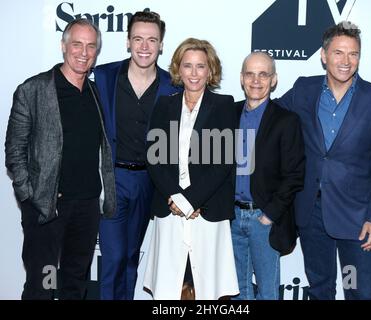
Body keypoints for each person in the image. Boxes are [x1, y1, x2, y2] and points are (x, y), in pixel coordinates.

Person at [277, 21, 371, 300]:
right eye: (338, 53)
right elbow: (272, 117)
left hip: (357, 220)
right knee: (320, 289)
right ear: (324, 55)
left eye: (353, 54)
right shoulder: (304, 90)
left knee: (358, 291)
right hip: (311, 213)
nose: (346, 61)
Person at [4, 18, 116, 300]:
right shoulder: (34, 89)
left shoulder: (95, 92)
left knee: (75, 284)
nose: (83, 52)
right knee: (42, 285)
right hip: (47, 208)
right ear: (63, 46)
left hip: (87, 207)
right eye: (77, 44)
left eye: (91, 46)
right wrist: (29, 195)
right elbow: (14, 148)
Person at [93, 9, 180, 300]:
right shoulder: (105, 76)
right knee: (113, 258)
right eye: (138, 39)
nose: (145, 46)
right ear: (128, 42)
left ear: (161, 45)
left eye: (152, 40)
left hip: (148, 181)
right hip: (112, 178)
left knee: (131, 256)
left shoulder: (172, 86)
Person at [143, 38, 239, 300]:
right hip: (169, 208)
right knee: (169, 287)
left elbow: (222, 162)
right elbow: (155, 158)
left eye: (200, 66)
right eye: (188, 66)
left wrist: (191, 201)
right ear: (178, 69)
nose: (194, 73)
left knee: (205, 288)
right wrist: (176, 198)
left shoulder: (223, 106)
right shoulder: (164, 105)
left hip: (206, 210)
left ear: (210, 71)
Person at [231, 52, 305, 300]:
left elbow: (295, 174)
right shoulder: (227, 115)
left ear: (274, 80)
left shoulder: (287, 121)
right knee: (237, 291)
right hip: (230, 218)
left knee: (268, 292)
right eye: (250, 74)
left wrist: (269, 215)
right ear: (242, 78)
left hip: (264, 220)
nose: (256, 80)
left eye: (263, 74)